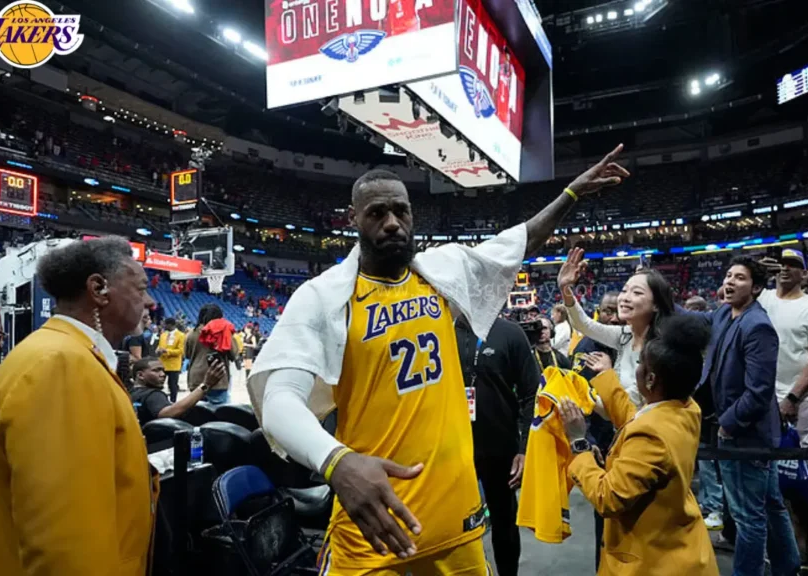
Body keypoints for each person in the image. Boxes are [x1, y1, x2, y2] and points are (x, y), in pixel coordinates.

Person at [246, 148, 628, 574]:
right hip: (373, 520)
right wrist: (336, 461)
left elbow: (517, 242)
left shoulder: (440, 273)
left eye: (400, 211)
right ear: (353, 219)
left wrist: (571, 194)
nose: (392, 222)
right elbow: (279, 398)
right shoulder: (324, 295)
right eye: (377, 213)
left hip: (456, 517)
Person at [0, 237, 158, 575]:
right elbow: (66, 543)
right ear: (99, 289)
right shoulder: (60, 365)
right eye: (142, 287)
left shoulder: (64, 354)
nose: (150, 301)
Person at [560, 314, 718, 576]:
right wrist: (607, 377)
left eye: (641, 363)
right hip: (682, 543)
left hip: (652, 560)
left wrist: (578, 442)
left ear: (651, 379)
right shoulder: (686, 408)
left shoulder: (650, 435)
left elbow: (608, 498)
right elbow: (636, 418)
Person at [696, 257, 801, 576]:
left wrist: (728, 425)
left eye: (739, 278)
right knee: (770, 505)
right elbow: (695, 319)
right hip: (747, 434)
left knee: (749, 518)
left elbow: (758, 391)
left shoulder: (758, 325)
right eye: (727, 275)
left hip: (745, 435)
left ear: (755, 288)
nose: (729, 281)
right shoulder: (725, 315)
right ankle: (788, 566)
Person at [455, 316, 540, 576]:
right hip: (453, 447)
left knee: (504, 522)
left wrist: (525, 449)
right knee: (453, 524)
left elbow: (532, 394)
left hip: (500, 446)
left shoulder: (510, 333)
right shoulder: (442, 329)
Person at [558, 246, 677, 407]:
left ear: (656, 305)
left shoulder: (661, 351)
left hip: (648, 429)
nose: (625, 298)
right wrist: (565, 288)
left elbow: (624, 407)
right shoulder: (625, 335)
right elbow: (584, 324)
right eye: (624, 290)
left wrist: (605, 376)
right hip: (624, 428)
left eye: (637, 293)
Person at [758, 248, 808, 447]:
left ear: (804, 274)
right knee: (767, 457)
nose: (785, 268)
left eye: (793, 265)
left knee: (804, 459)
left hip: (802, 398)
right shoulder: (760, 299)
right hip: (765, 395)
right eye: (782, 263)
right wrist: (758, 272)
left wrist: (792, 398)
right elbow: (725, 296)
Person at [569, 290, 620, 570]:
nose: (612, 317)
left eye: (617, 310)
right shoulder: (587, 347)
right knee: (606, 511)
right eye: (607, 310)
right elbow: (579, 397)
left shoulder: (634, 340)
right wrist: (587, 439)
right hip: (602, 439)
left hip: (632, 435)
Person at [130, 355, 223, 425]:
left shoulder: (129, 393)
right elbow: (168, 413)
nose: (163, 374)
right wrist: (206, 385)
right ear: (140, 375)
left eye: (163, 370)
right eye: (156, 370)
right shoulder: (153, 395)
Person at [185, 303, 238, 405]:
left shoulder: (191, 333)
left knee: (199, 414)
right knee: (218, 414)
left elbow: (187, 355)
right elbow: (233, 354)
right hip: (217, 378)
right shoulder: (223, 332)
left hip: (195, 378)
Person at [156, 318, 186, 401]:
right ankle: (160, 401)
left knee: (172, 385)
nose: (164, 326)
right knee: (158, 384)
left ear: (171, 325)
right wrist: (158, 350)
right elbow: (160, 346)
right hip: (162, 364)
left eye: (165, 324)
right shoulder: (163, 335)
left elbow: (180, 351)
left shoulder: (181, 335)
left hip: (173, 365)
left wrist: (166, 351)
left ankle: (173, 402)